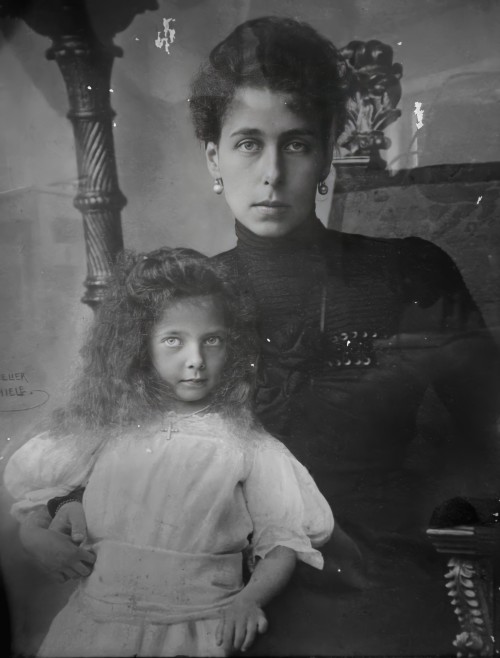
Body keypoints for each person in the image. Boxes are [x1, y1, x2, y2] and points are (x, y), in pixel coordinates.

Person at [19, 15, 500, 656]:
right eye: (248, 143)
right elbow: (125, 425)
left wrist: (453, 533)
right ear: (214, 156)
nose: (272, 172)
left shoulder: (409, 270)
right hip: (221, 585)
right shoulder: (190, 301)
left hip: (375, 575)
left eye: (297, 144)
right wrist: (52, 513)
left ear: (328, 151)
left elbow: (487, 432)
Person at [4, 247, 356, 657]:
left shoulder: (248, 445)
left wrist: (249, 599)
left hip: (199, 629)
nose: (196, 361)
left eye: (212, 341)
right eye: (173, 341)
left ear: (234, 347)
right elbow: (53, 501)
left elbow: (282, 543)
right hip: (97, 626)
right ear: (140, 346)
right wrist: (34, 537)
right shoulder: (109, 428)